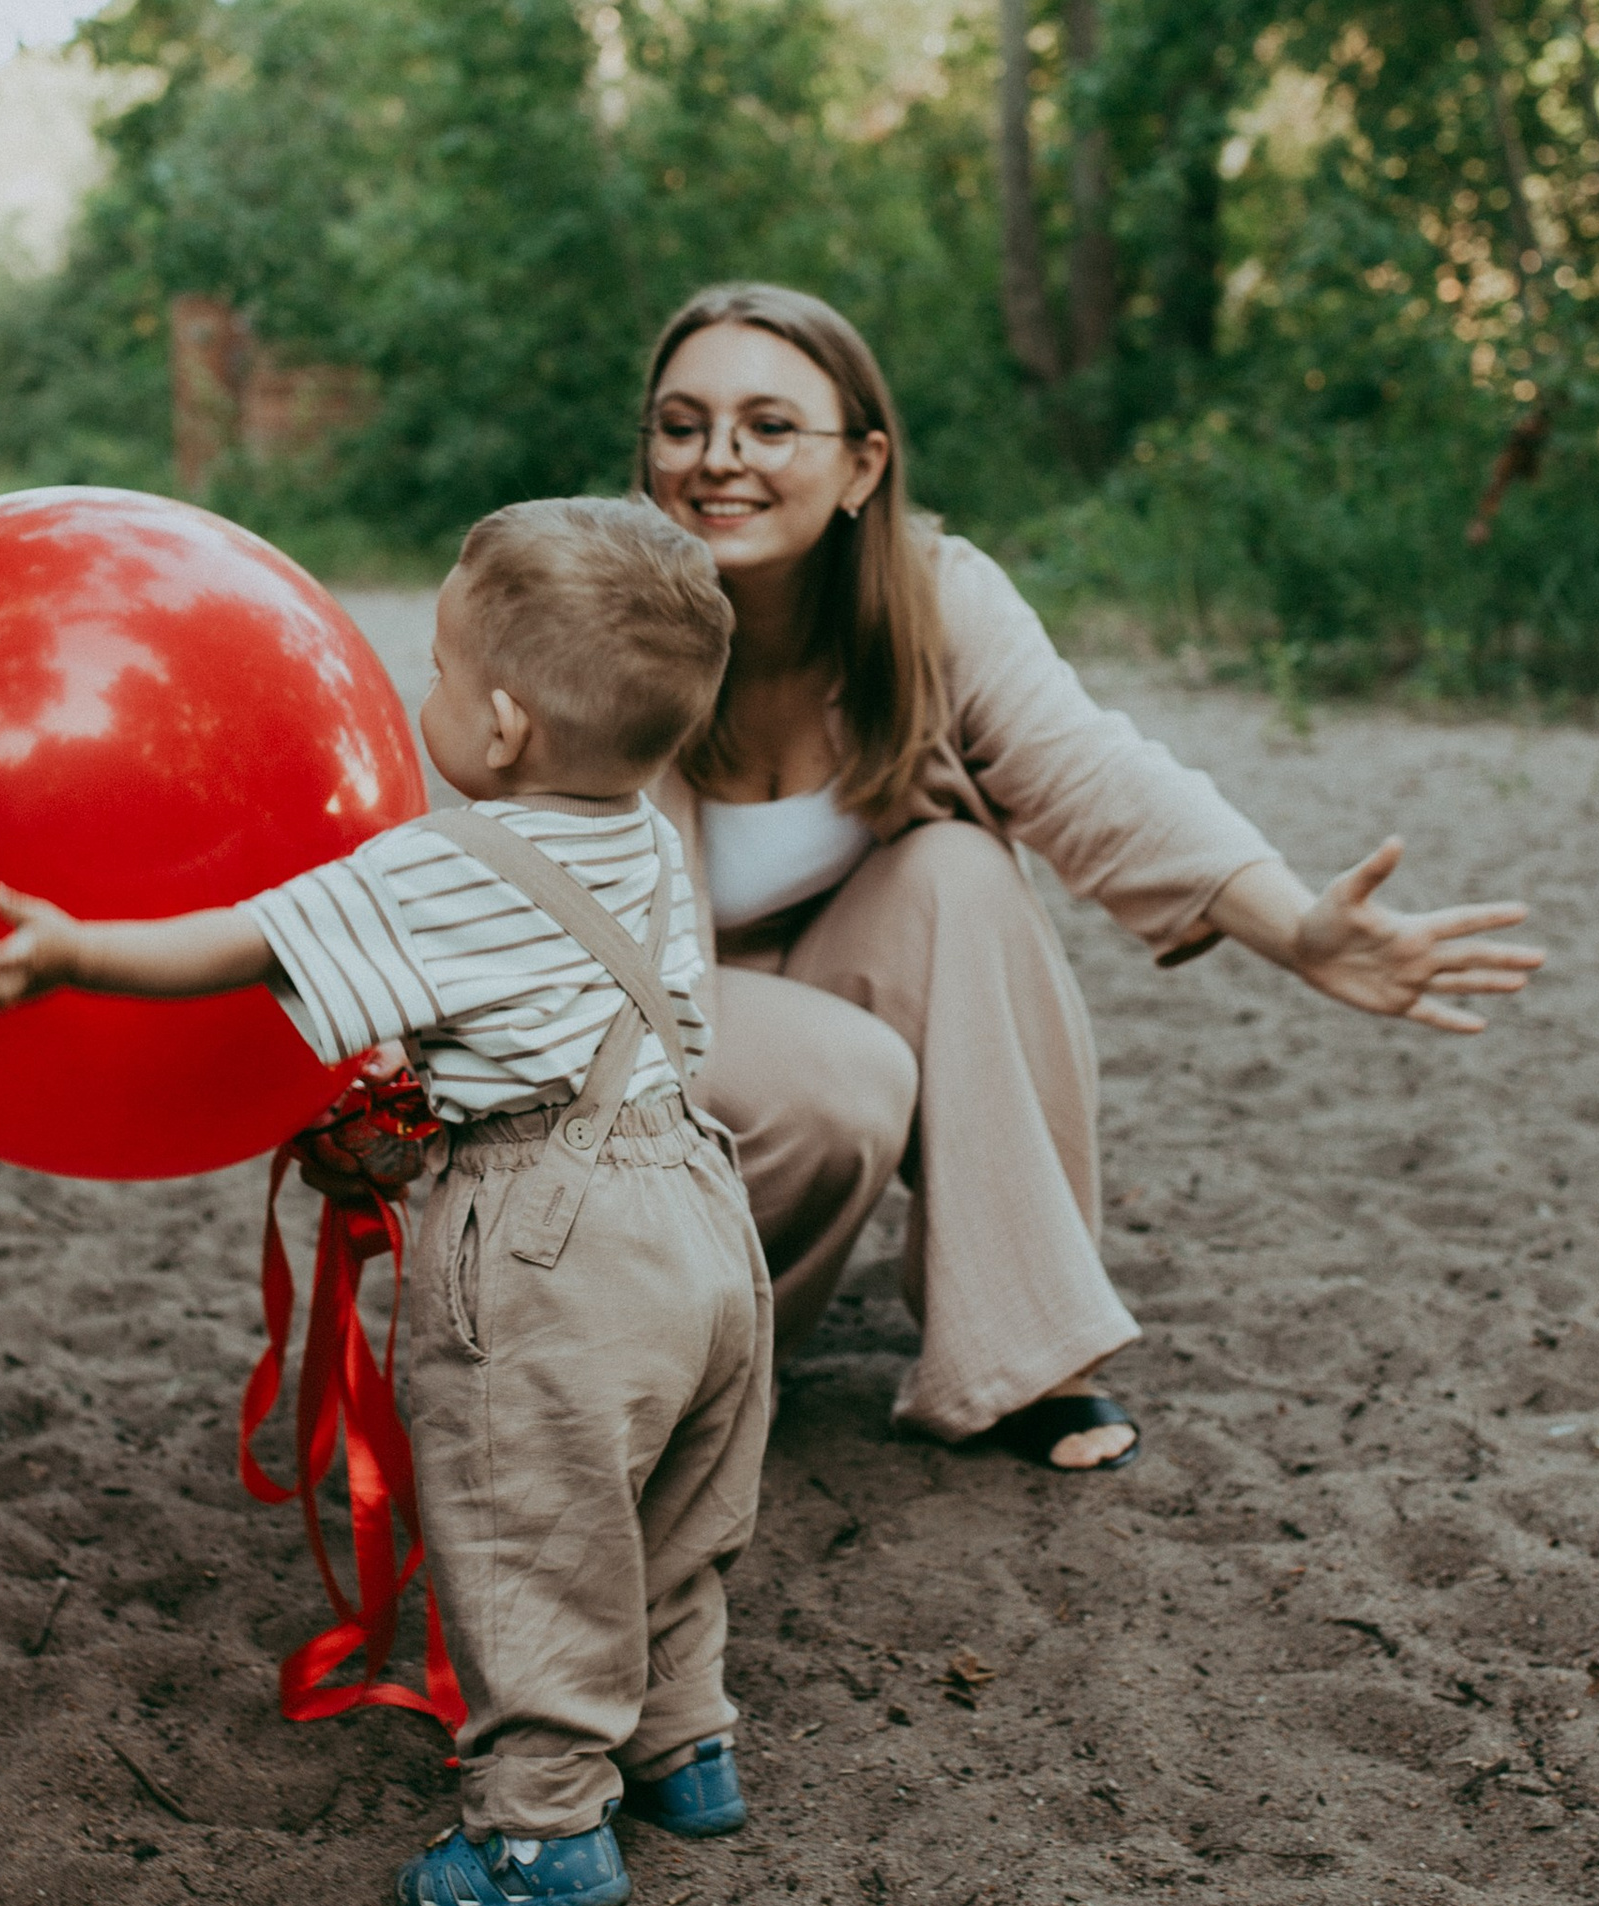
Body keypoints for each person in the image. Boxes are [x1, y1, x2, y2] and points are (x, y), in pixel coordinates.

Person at [0, 494, 776, 1906]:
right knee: (672, 1512)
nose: (421, 696)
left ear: (506, 728)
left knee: (532, 1530)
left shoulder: (444, 865)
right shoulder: (647, 843)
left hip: (548, 1239)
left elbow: (249, 940)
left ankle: (542, 1837)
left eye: (445, 672)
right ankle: (686, 1747)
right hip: (703, 1213)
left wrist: (78, 949)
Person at [637, 283, 1544, 1469]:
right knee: (841, 1077)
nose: (719, 462)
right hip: (646, 1020)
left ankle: (1023, 1356)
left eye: (767, 427)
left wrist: (1294, 930)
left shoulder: (929, 598)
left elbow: (1093, 774)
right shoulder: (605, 607)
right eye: (681, 425)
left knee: (959, 870)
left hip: (820, 986)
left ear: (862, 465)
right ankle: (666, 1358)